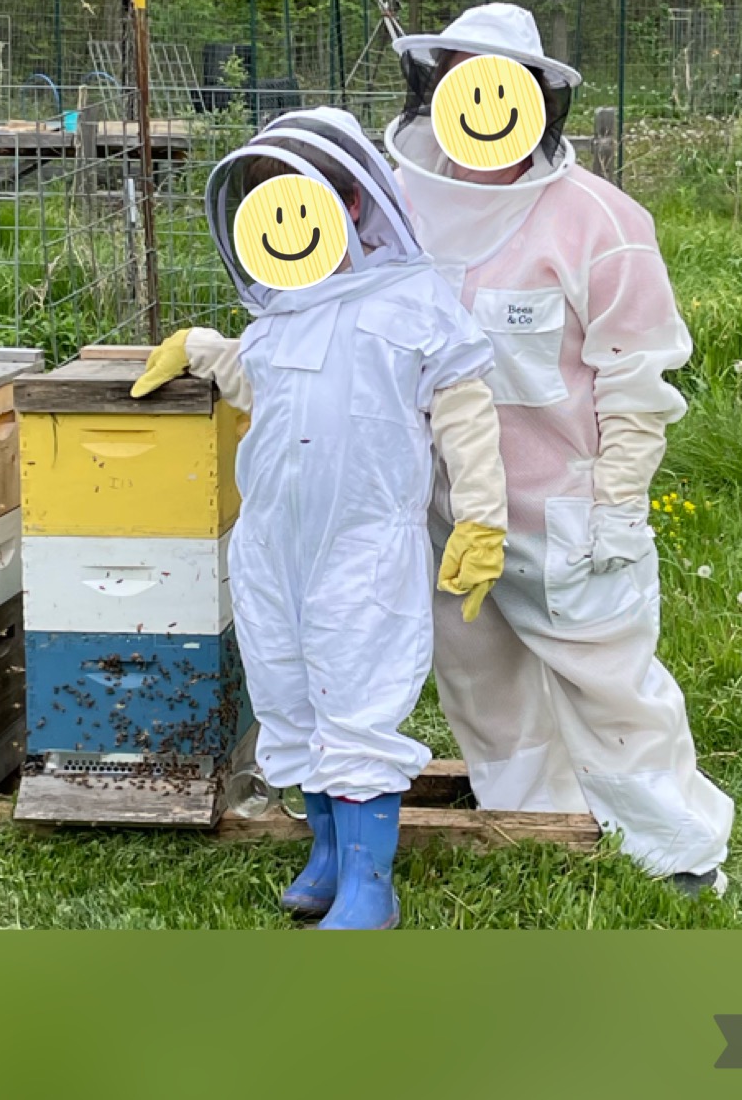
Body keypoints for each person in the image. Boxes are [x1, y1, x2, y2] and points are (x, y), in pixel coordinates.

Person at [385, 3, 735, 894]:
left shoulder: (600, 221)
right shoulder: (396, 209)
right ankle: (538, 824)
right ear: (435, 88)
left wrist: (617, 503)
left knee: (610, 681)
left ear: (538, 101)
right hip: (441, 505)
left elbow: (637, 373)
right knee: (478, 675)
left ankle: (676, 851)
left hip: (562, 509)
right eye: (464, 80)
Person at [130, 107, 507, 929]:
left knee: (358, 694)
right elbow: (271, 385)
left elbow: (466, 410)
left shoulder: (413, 302)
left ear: (356, 202)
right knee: (289, 688)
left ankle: (373, 884)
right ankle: (329, 856)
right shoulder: (281, 310)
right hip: (274, 543)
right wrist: (201, 347)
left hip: (364, 546)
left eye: (303, 205)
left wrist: (481, 518)